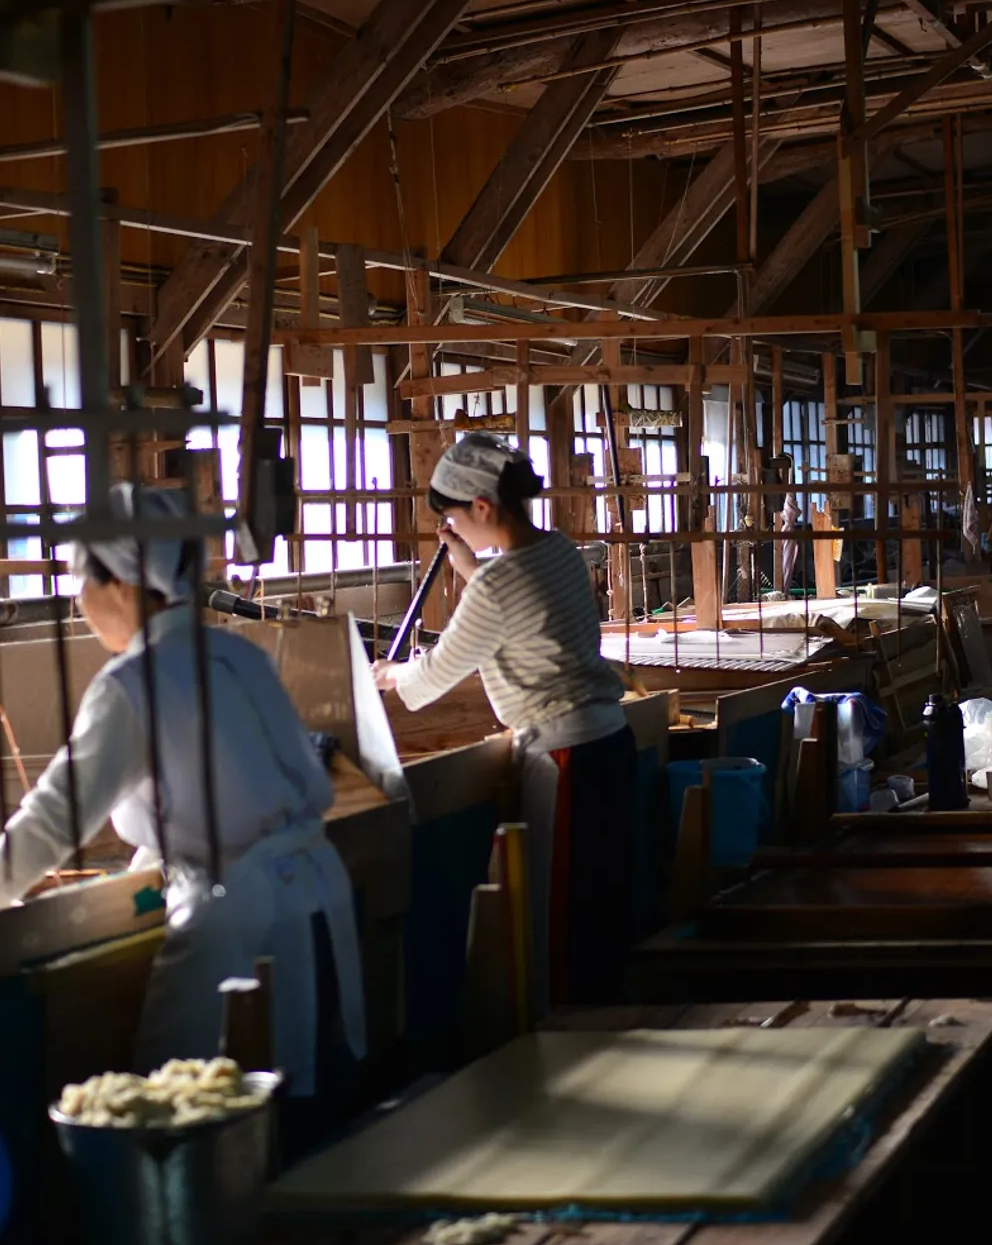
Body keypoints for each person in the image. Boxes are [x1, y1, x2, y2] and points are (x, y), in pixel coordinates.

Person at [0, 485, 366, 1109]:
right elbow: (227, 787)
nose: (78, 601)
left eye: (80, 583)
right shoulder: (233, 654)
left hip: (235, 914)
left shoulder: (133, 682)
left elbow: (52, 822)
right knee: (299, 1111)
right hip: (314, 891)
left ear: (121, 585)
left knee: (194, 1109)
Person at [373, 434, 636, 1009]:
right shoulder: (561, 550)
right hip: (611, 741)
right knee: (602, 904)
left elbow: (431, 679)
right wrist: (470, 568)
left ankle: (565, 1041)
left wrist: (389, 674)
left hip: (566, 757)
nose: (455, 532)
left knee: (558, 914)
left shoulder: (495, 587)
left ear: (482, 508)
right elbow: (519, 599)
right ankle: (604, 1024)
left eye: (455, 520)